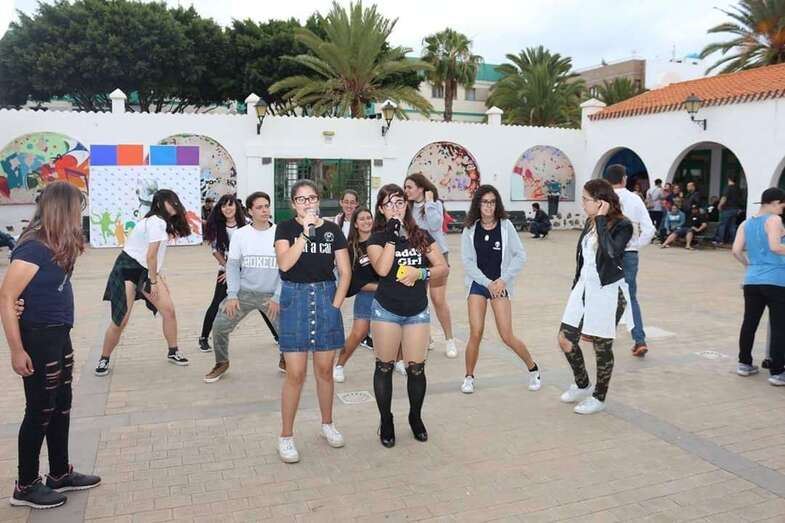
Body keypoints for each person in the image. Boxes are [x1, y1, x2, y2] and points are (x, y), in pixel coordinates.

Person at [0, 182, 101, 509]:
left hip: (58, 333)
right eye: (76, 209)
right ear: (62, 209)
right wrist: (17, 350)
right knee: (40, 409)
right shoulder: (33, 247)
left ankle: (59, 473)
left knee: (61, 404)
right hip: (38, 336)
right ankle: (26, 485)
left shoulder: (56, 242)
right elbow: (7, 297)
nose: (79, 215)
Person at [366, 184, 449, 447]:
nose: (395, 208)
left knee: (416, 369)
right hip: (386, 311)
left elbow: (442, 267)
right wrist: (392, 236)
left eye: (400, 202)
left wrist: (420, 273)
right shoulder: (376, 239)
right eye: (389, 204)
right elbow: (382, 269)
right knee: (384, 366)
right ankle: (386, 420)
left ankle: (415, 416)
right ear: (381, 209)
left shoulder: (420, 236)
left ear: (407, 206)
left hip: (416, 311)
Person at [274, 180, 350, 463]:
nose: (307, 203)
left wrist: (335, 304)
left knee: (325, 370)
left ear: (319, 200)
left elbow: (345, 271)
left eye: (312, 198)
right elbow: (285, 264)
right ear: (293, 203)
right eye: (301, 199)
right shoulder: (285, 229)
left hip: (325, 297)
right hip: (294, 298)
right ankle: (286, 436)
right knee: (295, 373)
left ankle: (327, 424)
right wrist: (305, 234)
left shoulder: (332, 230)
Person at [96, 189, 192, 376]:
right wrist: (154, 282)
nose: (174, 205)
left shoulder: (161, 222)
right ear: (159, 204)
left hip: (146, 269)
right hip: (128, 269)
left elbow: (155, 256)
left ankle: (173, 351)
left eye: (175, 201)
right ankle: (104, 358)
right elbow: (151, 256)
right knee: (121, 320)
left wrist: (159, 276)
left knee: (169, 311)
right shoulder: (156, 221)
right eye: (170, 202)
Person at [559, 179, 634, 415]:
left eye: (586, 199)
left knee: (602, 347)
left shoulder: (623, 225)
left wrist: (601, 220)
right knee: (565, 339)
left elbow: (611, 254)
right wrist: (575, 287)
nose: (582, 203)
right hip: (583, 288)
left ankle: (599, 397)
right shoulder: (590, 222)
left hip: (607, 291)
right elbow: (583, 260)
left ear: (600, 202)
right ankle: (582, 384)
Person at [460, 185, 540, 394]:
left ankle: (533, 369)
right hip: (479, 284)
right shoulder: (470, 229)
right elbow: (467, 262)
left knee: (506, 335)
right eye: (485, 202)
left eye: (493, 202)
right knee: (476, 332)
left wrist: (503, 280)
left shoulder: (506, 226)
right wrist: (487, 283)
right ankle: (469, 377)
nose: (489, 206)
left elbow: (520, 255)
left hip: (500, 284)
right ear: (478, 204)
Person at [203, 192, 282, 383]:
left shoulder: (280, 232)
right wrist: (232, 295)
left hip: (271, 295)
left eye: (266, 206)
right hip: (244, 293)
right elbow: (232, 265)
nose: (264, 210)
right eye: (259, 207)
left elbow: (286, 268)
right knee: (219, 326)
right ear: (249, 211)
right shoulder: (241, 235)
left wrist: (277, 296)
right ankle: (221, 363)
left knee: (287, 332)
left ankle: (286, 358)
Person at [732, 187, 785, 386]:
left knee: (750, 322)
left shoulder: (746, 223)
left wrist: (749, 266)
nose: (782, 209)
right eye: (782, 205)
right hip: (776, 280)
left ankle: (744, 363)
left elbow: (736, 251)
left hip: (752, 280)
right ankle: (777, 372)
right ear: (774, 202)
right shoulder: (774, 220)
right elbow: (775, 247)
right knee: (779, 326)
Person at [404, 173, 457, 358]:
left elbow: (435, 225)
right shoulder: (407, 207)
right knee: (419, 299)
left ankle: (450, 340)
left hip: (438, 256)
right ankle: (427, 337)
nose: (406, 191)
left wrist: (429, 202)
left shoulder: (435, 204)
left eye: (410, 187)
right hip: (417, 257)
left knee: (438, 299)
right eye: (405, 187)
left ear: (421, 188)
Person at [606, 164, 655, 358]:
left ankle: (602, 334)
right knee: (630, 297)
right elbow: (649, 229)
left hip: (608, 255)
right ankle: (639, 340)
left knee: (606, 294)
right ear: (624, 179)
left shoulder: (605, 199)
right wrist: (635, 245)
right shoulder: (635, 199)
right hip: (629, 254)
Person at [333, 207, 378, 383]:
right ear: (356, 224)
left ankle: (398, 361)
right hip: (366, 296)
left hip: (388, 295)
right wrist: (378, 287)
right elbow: (354, 282)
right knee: (358, 333)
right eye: (362, 219)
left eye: (369, 218)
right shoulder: (351, 248)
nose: (367, 221)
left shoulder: (381, 241)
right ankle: (339, 365)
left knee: (394, 330)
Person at [714, 177, 743, 246]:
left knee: (722, 225)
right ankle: (734, 241)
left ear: (729, 179)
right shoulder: (738, 189)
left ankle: (721, 241)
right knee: (732, 226)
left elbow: (724, 197)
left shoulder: (728, 188)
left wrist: (719, 205)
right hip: (735, 209)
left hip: (727, 209)